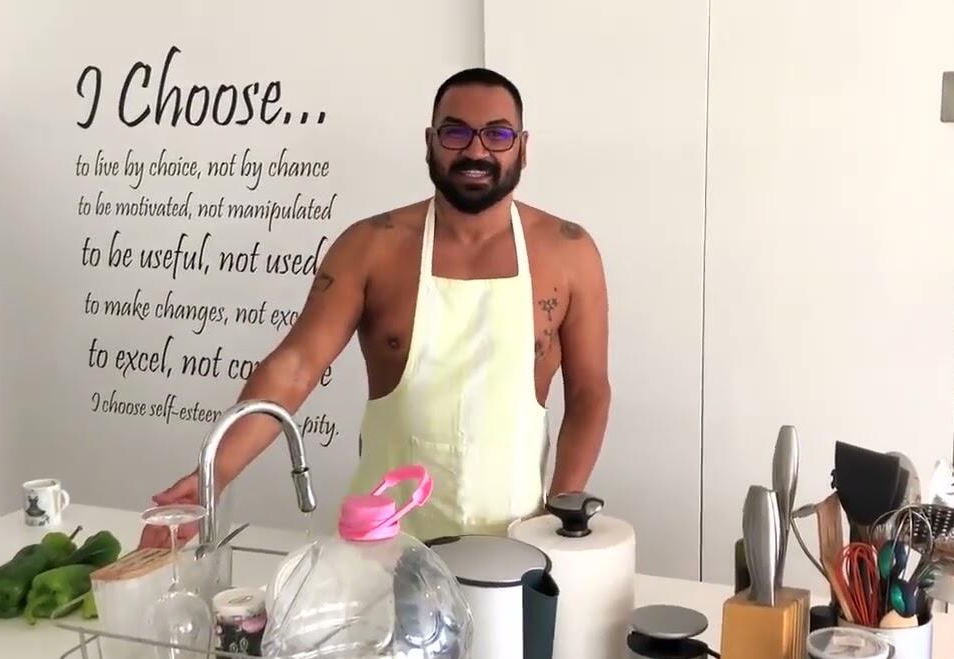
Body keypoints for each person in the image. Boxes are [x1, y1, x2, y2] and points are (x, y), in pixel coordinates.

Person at [140, 67, 610, 547]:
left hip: (518, 540)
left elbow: (589, 391)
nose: (475, 151)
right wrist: (212, 476)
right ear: (429, 142)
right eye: (455, 133)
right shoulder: (369, 246)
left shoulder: (569, 252)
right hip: (383, 543)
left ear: (523, 147)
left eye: (497, 134)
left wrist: (562, 510)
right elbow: (296, 366)